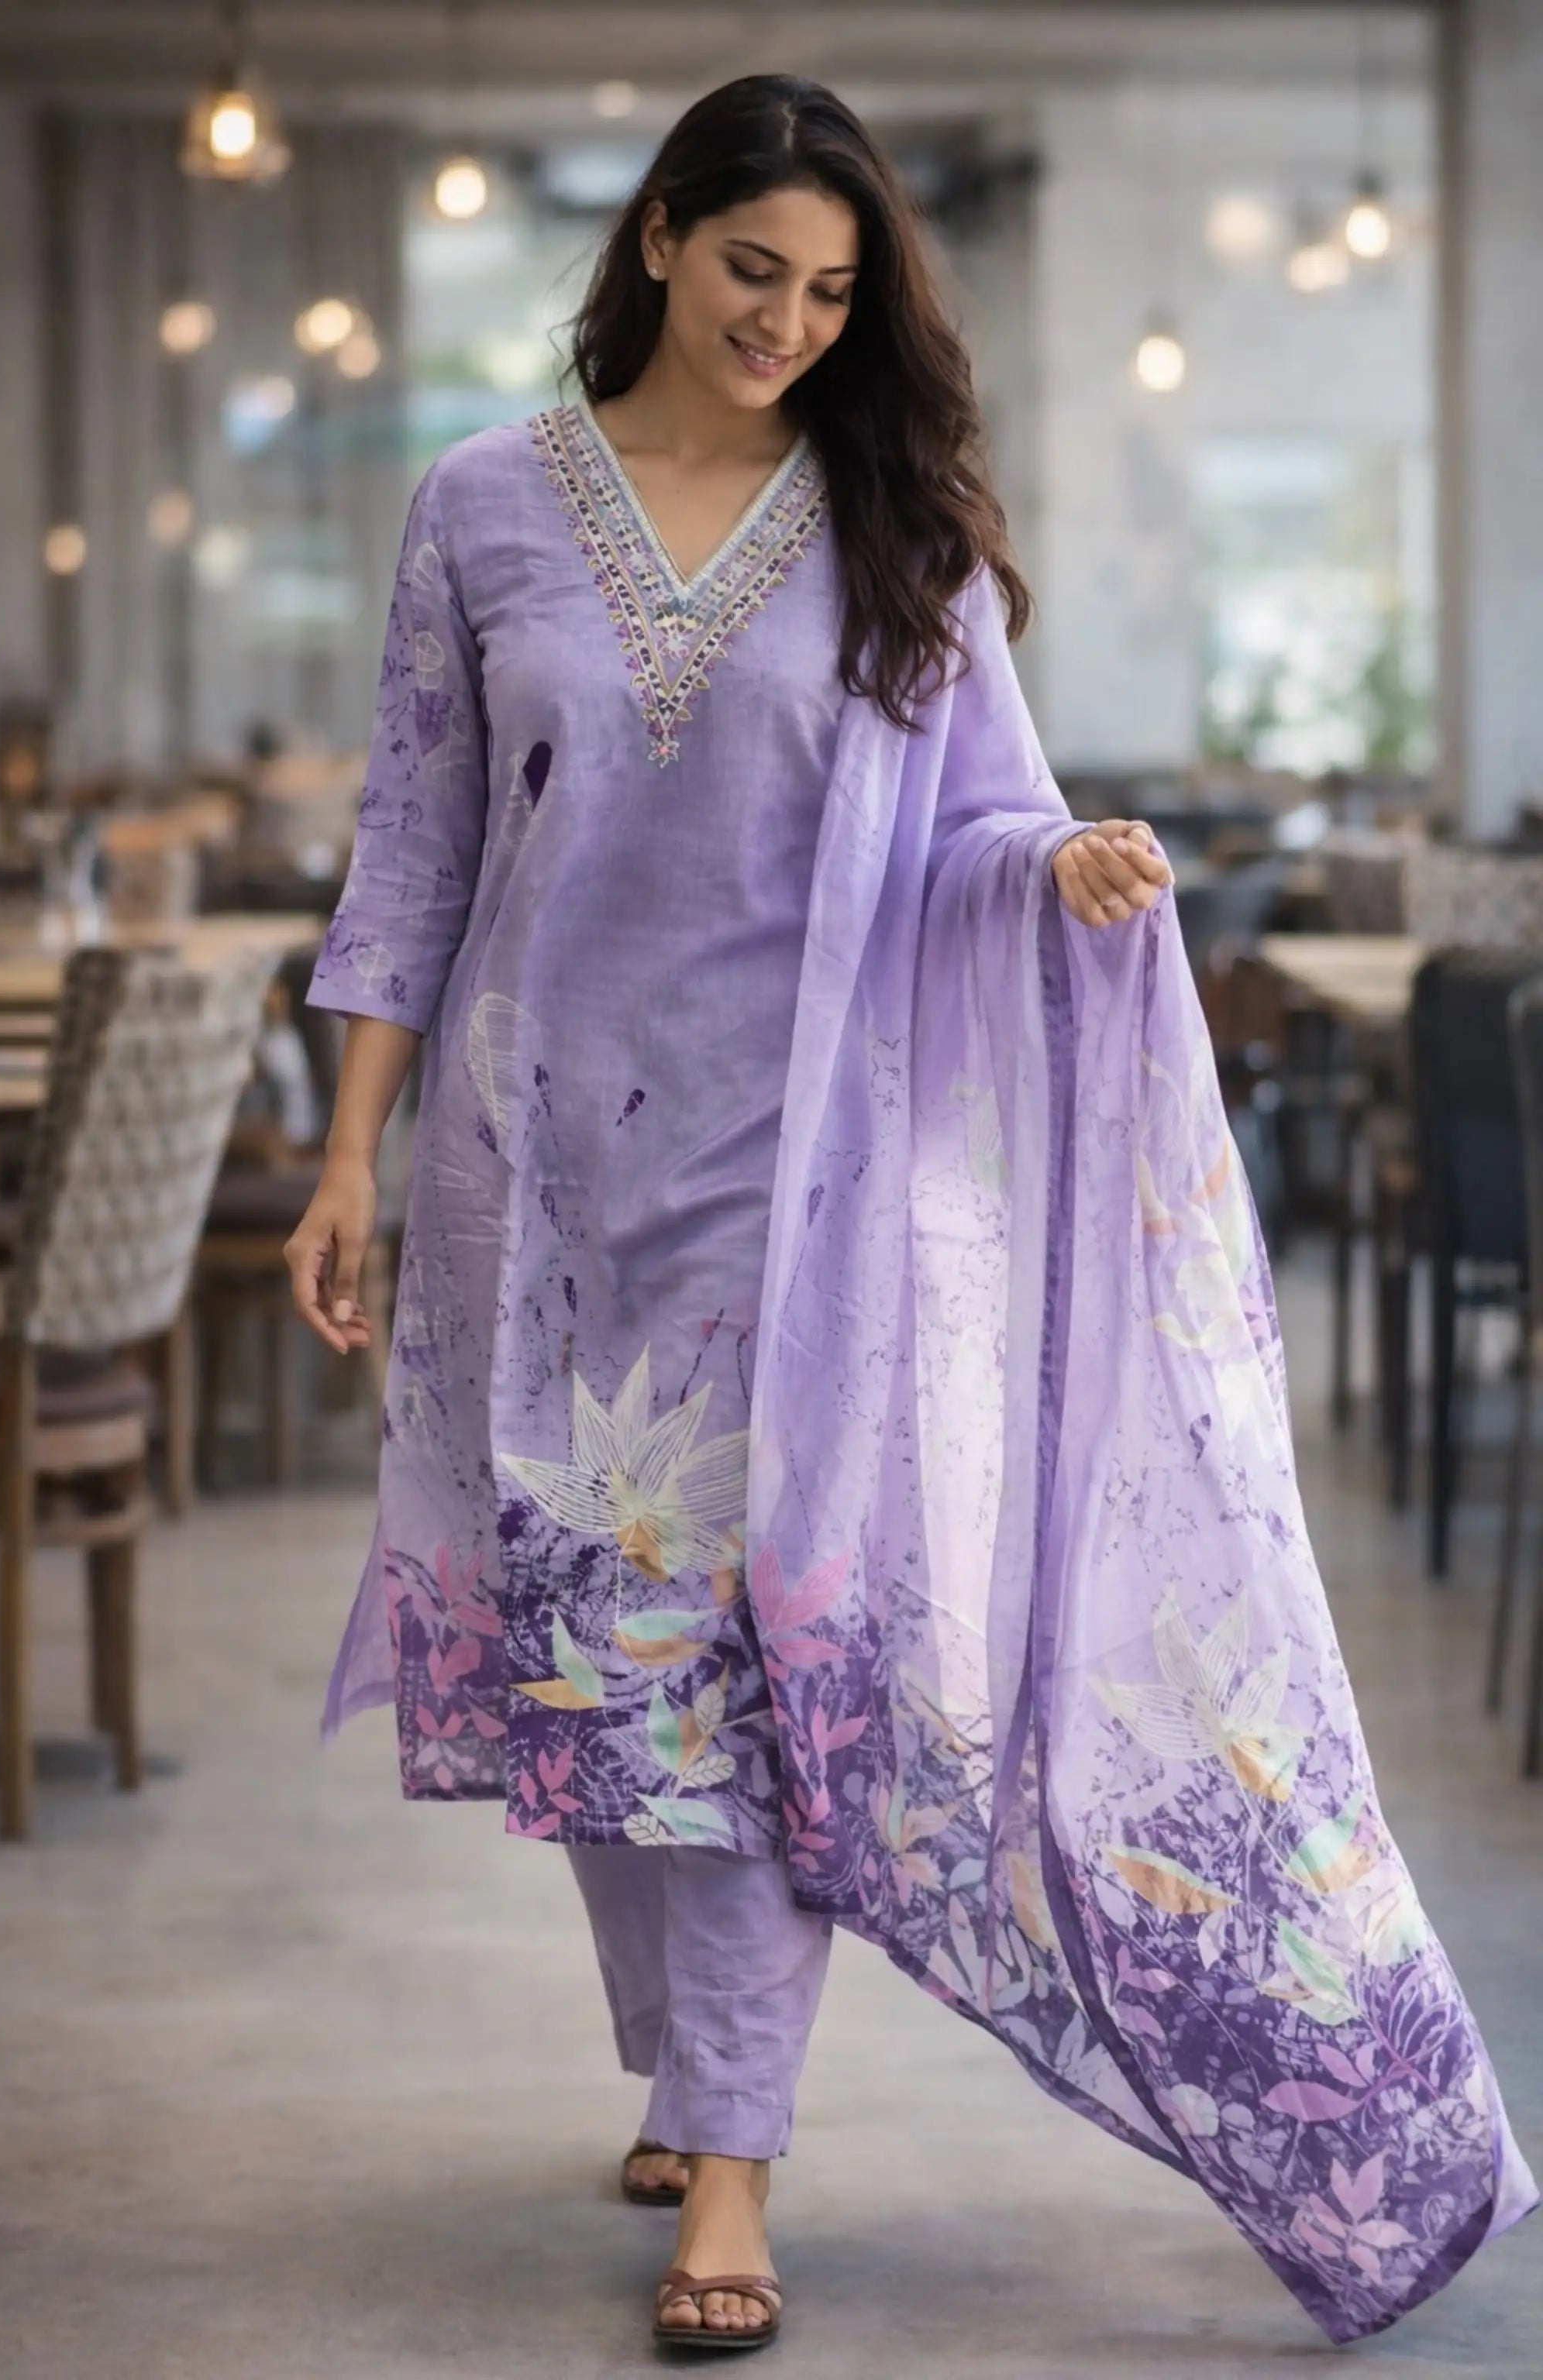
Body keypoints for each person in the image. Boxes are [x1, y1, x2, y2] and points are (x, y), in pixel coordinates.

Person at [288, 74, 1534, 2359]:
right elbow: (414, 851)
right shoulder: (481, 508)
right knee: (601, 1686)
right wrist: (351, 1152)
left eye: (833, 289)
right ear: (661, 236)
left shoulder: (898, 529)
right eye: (754, 266)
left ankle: (733, 2167)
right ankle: (691, 2068)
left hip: (802, 1208)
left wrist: (1059, 875)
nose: (786, 320)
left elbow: (990, 821)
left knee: (757, 1691)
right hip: (531, 1195)